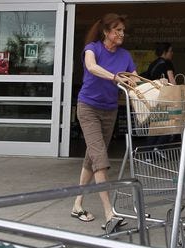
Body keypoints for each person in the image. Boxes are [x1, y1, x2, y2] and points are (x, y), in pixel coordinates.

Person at [71, 13, 137, 234]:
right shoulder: (93, 48)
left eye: (123, 31)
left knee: (92, 157)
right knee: (100, 158)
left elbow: (135, 78)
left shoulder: (125, 55)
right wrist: (115, 78)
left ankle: (77, 205)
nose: (121, 34)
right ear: (106, 32)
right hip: (88, 107)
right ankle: (110, 214)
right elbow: (91, 67)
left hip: (109, 111)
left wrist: (151, 84)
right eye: (117, 30)